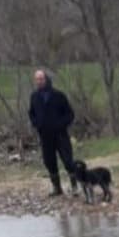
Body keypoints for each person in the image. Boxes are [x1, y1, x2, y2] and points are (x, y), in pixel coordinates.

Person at [28, 69, 77, 197]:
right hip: (44, 135)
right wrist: (36, 124)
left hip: (60, 134)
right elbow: (31, 113)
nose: (39, 82)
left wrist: (60, 125)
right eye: (37, 79)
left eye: (41, 79)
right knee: (49, 161)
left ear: (47, 79)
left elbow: (70, 114)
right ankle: (57, 188)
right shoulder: (34, 97)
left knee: (68, 160)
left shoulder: (59, 95)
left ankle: (75, 187)